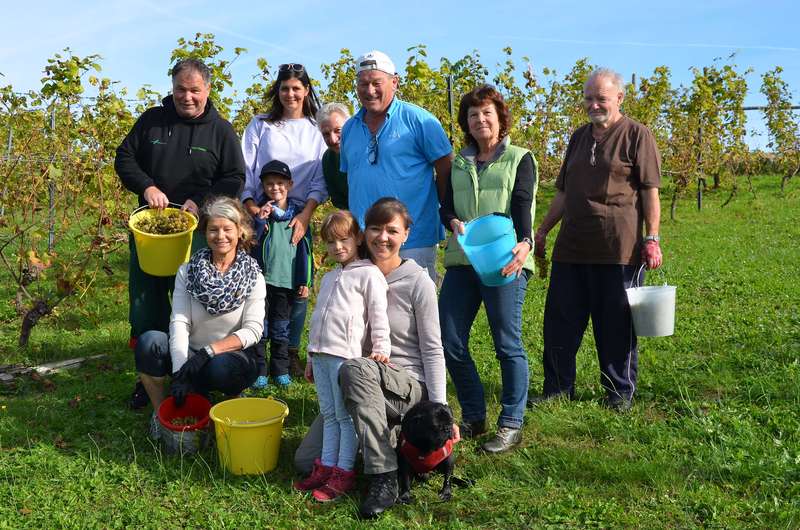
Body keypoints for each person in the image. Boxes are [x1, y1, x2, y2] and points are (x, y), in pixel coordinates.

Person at [294, 198, 451, 519]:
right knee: (304, 459)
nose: (383, 237)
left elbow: (433, 348)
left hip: (405, 385)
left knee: (356, 369)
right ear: (363, 233)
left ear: (406, 234)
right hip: (357, 381)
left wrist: (441, 410)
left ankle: (384, 476)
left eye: (392, 230)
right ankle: (386, 438)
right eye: (375, 229)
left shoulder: (417, 281)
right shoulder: (350, 273)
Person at [530, 68, 663, 411]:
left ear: (619, 98)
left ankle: (618, 393)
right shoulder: (578, 137)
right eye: (588, 98)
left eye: (601, 98)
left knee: (615, 324)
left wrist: (652, 237)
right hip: (572, 247)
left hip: (618, 249)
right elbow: (563, 192)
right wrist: (543, 230)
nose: (594, 105)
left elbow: (650, 191)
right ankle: (558, 389)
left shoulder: (637, 135)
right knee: (560, 324)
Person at [116, 58, 246, 409]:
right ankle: (150, 375)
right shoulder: (152, 121)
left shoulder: (220, 130)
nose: (187, 97)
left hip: (198, 232)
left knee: (196, 303)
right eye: (180, 90)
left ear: (208, 89)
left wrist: (202, 202)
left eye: (194, 90)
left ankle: (195, 374)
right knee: (147, 303)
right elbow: (125, 158)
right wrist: (147, 186)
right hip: (151, 232)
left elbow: (234, 176)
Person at [438, 85, 538, 453]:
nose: (480, 120)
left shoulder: (519, 158)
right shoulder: (459, 163)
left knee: (506, 343)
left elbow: (523, 203)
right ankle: (474, 414)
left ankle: (511, 423)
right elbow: (446, 206)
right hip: (463, 260)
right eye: (473, 115)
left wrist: (526, 242)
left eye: (487, 113)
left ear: (500, 118)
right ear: (466, 122)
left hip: (504, 259)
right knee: (449, 339)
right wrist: (452, 221)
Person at [134, 197, 265, 437]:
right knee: (149, 342)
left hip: (231, 356)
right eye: (213, 229)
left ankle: (226, 410)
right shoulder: (188, 271)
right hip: (191, 351)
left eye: (227, 229)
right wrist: (180, 371)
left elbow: (253, 331)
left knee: (219, 368)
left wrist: (209, 352)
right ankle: (163, 415)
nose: (220, 236)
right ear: (205, 232)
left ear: (240, 232)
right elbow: (180, 322)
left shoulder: (253, 276)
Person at [294, 211, 391, 502]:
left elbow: (378, 314)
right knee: (328, 414)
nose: (337, 247)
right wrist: (311, 355)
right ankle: (325, 467)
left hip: (344, 357)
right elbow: (318, 319)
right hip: (321, 355)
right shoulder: (328, 278)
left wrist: (381, 347)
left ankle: (344, 471)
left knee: (345, 416)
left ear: (358, 238)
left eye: (343, 239)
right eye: (330, 242)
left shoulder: (369, 274)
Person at [240, 63, 327, 378]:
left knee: (296, 284)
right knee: (258, 283)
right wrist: (252, 207)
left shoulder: (316, 128)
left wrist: (305, 215)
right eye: (285, 88)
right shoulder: (261, 125)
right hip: (261, 214)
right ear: (277, 91)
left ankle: (288, 352)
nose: (290, 94)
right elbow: (247, 169)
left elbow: (320, 177)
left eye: (296, 88)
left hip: (297, 213)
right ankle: (255, 352)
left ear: (306, 91)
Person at [339, 50, 453, 281]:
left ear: (394, 82)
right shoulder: (349, 128)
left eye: (376, 83)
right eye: (363, 84)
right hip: (365, 241)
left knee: (412, 300)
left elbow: (446, 168)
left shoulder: (420, 120)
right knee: (367, 303)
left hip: (412, 240)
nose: (369, 90)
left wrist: (447, 213)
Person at [250, 160, 313, 387]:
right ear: (263, 187)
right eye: (269, 184)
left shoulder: (299, 215)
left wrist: (305, 281)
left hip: (286, 281)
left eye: (280, 183)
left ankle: (280, 368)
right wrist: (260, 220)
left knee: (281, 327)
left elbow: (307, 251)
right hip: (261, 281)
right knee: (260, 326)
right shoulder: (260, 213)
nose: (275, 188)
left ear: (290, 185)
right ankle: (259, 370)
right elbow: (251, 241)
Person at [317, 103, 350, 209]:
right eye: (326, 134)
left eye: (338, 131)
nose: (333, 139)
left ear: (349, 125)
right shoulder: (328, 159)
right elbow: (338, 200)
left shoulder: (368, 148)